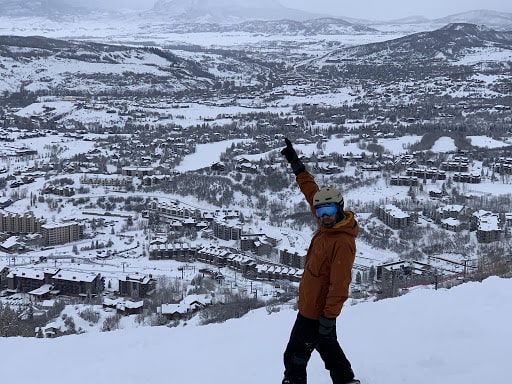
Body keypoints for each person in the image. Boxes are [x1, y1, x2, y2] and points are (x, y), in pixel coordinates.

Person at [280, 137, 360, 384]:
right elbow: (311, 191)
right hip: (312, 307)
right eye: (320, 212)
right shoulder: (327, 227)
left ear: (339, 209)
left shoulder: (341, 241)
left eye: (329, 212)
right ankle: (346, 380)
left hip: (316, 313)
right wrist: (297, 166)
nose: (323, 216)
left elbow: (340, 284)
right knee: (327, 348)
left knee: (294, 356)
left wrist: (328, 317)